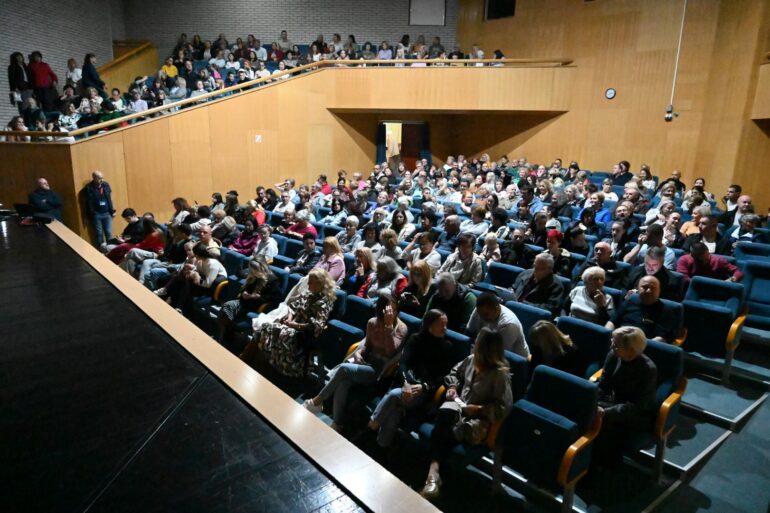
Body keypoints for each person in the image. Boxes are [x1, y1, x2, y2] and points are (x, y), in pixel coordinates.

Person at [419, 328, 513, 499]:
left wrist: (479, 409)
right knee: (445, 413)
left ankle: (433, 474)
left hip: (478, 418)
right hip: (459, 407)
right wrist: (453, 386)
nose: (474, 343)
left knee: (445, 431)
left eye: (477, 341)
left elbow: (503, 407)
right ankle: (434, 474)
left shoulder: (499, 374)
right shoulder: (471, 360)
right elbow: (454, 373)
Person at [303, 294, 408, 431]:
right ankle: (337, 424)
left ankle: (317, 401)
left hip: (379, 371)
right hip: (364, 363)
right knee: (343, 384)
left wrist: (388, 327)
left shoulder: (401, 328)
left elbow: (390, 351)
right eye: (387, 310)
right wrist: (358, 354)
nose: (391, 313)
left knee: (344, 369)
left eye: (393, 310)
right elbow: (367, 346)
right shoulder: (373, 322)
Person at [366, 309, 454, 448]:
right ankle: (381, 447)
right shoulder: (415, 339)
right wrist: (406, 383)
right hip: (405, 384)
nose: (445, 328)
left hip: (423, 392)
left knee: (394, 395)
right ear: (430, 325)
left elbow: (443, 376)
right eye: (441, 325)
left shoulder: (447, 347)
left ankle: (371, 426)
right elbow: (403, 364)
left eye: (446, 324)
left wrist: (424, 387)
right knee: (395, 411)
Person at [254, 268, 336, 377]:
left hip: (305, 333)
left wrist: (296, 325)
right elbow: (293, 307)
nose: (308, 285)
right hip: (293, 325)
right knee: (266, 327)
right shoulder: (308, 294)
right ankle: (269, 363)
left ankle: (284, 370)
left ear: (319, 284)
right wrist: (290, 319)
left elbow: (317, 326)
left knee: (281, 333)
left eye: (311, 283)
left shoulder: (325, 302)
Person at [594, 326, 657, 468]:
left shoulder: (648, 370)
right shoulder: (613, 355)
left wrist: (606, 412)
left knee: (602, 423)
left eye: (616, 345)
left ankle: (604, 465)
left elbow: (639, 406)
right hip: (614, 402)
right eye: (612, 341)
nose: (612, 346)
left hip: (636, 414)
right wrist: (591, 398)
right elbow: (603, 384)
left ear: (631, 350)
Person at [217, 258, 283, 349]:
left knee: (226, 313)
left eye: (255, 270)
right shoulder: (253, 276)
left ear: (262, 268)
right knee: (226, 308)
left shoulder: (272, 280)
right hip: (244, 301)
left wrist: (259, 297)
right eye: (252, 270)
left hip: (255, 306)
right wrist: (244, 293)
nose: (253, 272)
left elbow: (277, 297)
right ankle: (224, 338)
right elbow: (242, 281)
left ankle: (224, 339)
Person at [607, 276, 677, 343]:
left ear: (659, 291)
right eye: (645, 287)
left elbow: (661, 338)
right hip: (618, 339)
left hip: (643, 345)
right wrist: (609, 337)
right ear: (638, 289)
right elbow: (612, 322)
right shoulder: (631, 300)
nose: (648, 291)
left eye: (653, 288)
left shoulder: (665, 311)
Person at [165, 242, 227, 316]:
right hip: (202, 282)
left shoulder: (212, 264)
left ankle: (178, 305)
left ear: (197, 255)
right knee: (183, 278)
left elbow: (208, 284)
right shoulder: (201, 260)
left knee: (186, 282)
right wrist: (194, 273)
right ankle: (174, 303)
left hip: (211, 288)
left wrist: (195, 277)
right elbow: (197, 270)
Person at [467, 292, 529, 358]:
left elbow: (499, 353)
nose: (482, 318)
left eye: (486, 315)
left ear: (497, 309)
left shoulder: (508, 324)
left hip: (513, 359)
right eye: (480, 315)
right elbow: (469, 332)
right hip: (487, 352)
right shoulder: (479, 310)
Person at [676, 242, 743, 283]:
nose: (704, 261)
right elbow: (683, 278)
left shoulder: (717, 260)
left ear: (708, 252)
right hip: (692, 288)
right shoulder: (684, 260)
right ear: (692, 255)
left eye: (706, 258)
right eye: (700, 259)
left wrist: (733, 279)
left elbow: (738, 271)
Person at [84, 170, 116, 247]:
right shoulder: (88, 188)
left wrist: (112, 211)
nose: (102, 180)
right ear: (94, 178)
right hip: (96, 214)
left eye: (102, 178)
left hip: (107, 213)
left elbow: (109, 198)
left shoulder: (106, 185)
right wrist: (90, 214)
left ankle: (111, 249)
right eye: (99, 178)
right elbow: (88, 203)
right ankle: (101, 250)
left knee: (109, 232)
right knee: (99, 234)